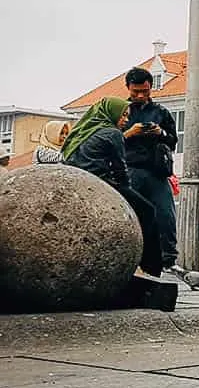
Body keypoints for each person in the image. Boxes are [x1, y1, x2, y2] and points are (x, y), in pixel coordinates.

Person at [62, 96, 162, 276]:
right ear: (112, 114)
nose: (125, 120)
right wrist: (126, 194)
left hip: (79, 183)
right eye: (123, 116)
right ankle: (151, 267)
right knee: (148, 211)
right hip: (101, 183)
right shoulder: (112, 133)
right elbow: (120, 168)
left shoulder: (84, 131)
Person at [122, 67, 178, 269]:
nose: (140, 95)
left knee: (165, 214)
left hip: (157, 170)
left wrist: (160, 133)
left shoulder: (161, 112)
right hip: (130, 169)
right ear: (128, 88)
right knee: (132, 213)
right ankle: (131, 255)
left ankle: (168, 257)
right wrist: (131, 132)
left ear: (150, 88)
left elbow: (173, 141)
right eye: (135, 91)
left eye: (144, 91)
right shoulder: (121, 111)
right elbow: (111, 139)